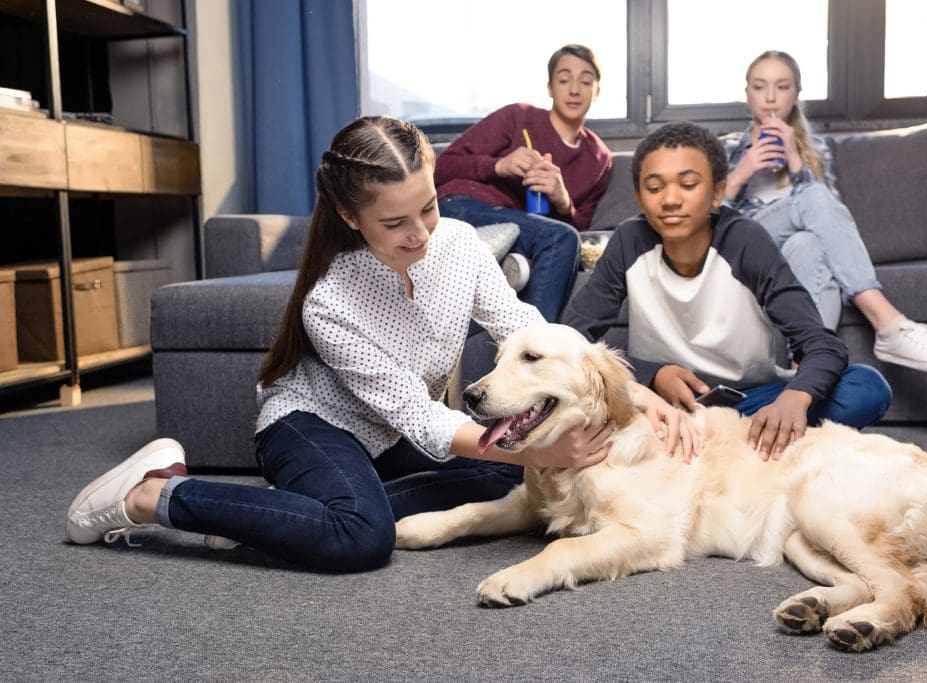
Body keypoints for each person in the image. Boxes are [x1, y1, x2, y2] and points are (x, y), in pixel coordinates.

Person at [65, 116, 685, 572]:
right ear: (349, 216)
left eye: (430, 208)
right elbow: (416, 414)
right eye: (394, 223)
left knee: (509, 486)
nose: (419, 235)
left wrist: (627, 389)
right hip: (312, 426)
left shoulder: (462, 245)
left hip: (392, 441)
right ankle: (154, 493)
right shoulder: (328, 303)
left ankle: (285, 517)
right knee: (361, 537)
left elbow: (522, 327)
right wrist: (537, 454)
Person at [562, 121, 893, 462]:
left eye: (688, 184)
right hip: (659, 405)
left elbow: (821, 344)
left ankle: (709, 448)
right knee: (584, 400)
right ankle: (743, 453)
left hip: (747, 404)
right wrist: (651, 374)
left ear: (717, 193)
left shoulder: (745, 240)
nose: (671, 199)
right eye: (655, 187)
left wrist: (794, 398)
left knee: (866, 386)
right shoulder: (628, 242)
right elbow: (571, 340)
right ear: (640, 199)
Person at [720, 50, 927, 373]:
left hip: (792, 255)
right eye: (760, 86)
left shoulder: (817, 149)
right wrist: (744, 170)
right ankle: (888, 323)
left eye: (782, 87)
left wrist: (797, 160)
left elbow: (832, 215)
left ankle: (805, 371)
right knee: (812, 197)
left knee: (807, 245)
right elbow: (710, 222)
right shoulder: (726, 148)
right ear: (747, 93)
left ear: (796, 93)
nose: (770, 97)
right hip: (749, 244)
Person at [434, 43, 613, 322]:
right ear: (550, 88)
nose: (575, 89)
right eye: (564, 79)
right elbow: (442, 167)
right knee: (557, 238)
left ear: (597, 90)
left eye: (586, 81)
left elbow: (582, 230)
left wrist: (563, 200)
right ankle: (537, 346)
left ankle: (500, 263)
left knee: (561, 238)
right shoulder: (518, 117)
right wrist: (498, 165)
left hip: (524, 227)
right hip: (462, 207)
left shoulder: (599, 157)